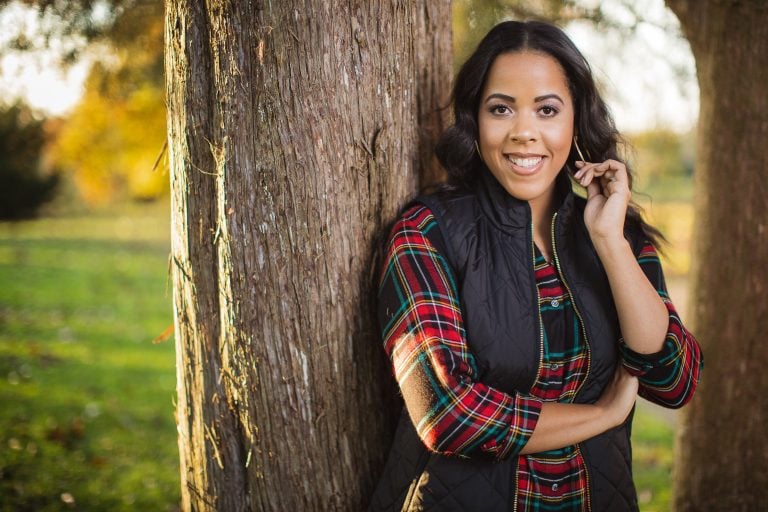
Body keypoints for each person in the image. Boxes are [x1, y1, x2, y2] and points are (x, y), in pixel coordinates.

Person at [368, 20, 703, 512]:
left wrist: (609, 242)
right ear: (475, 121)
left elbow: (674, 378)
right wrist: (604, 415)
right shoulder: (426, 233)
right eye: (501, 108)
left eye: (547, 109)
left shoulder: (617, 233)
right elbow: (446, 414)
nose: (524, 132)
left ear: (574, 120)